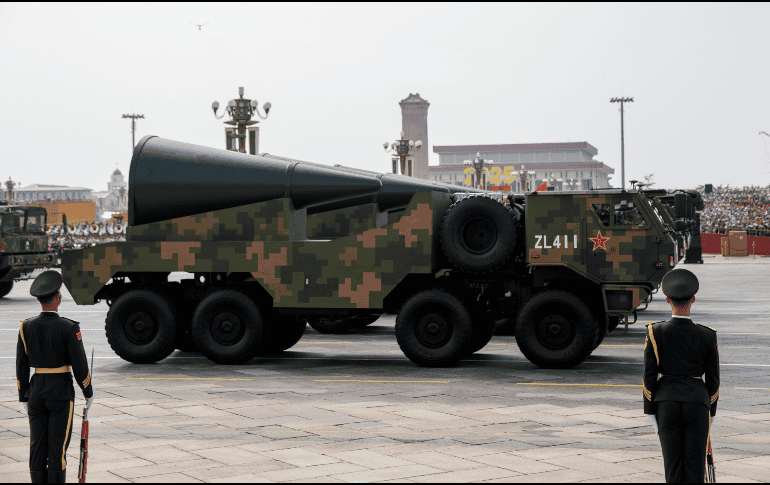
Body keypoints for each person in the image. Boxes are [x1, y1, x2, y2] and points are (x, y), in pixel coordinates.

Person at [16, 271, 94, 483]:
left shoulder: (26, 326)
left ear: (39, 300)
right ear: (57, 298)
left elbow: (21, 366)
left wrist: (23, 396)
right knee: (57, 449)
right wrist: (88, 391)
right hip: (60, 392)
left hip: (35, 392)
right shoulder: (69, 327)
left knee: (37, 447)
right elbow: (79, 364)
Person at [643, 268, 720, 483]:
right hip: (697, 403)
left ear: (668, 300)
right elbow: (714, 379)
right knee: (695, 469)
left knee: (672, 468)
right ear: (693, 299)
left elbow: (649, 376)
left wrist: (650, 412)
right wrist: (711, 413)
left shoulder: (655, 332)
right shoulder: (707, 335)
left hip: (665, 403)